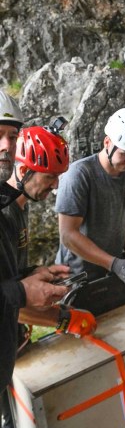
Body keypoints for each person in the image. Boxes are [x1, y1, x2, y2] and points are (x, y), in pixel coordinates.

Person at [1, 123, 96, 428]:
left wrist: (35, 274)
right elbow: (13, 295)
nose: (55, 186)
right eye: (50, 176)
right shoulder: (3, 216)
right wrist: (61, 318)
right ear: (25, 170)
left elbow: (9, 278)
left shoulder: (18, 209)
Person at [0, 92, 70, 399]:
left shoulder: (12, 207)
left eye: (12, 136)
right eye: (51, 178)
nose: (6, 146)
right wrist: (22, 292)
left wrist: (32, 274)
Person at [55, 107, 125, 290]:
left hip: (110, 271)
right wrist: (114, 264)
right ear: (107, 142)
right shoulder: (79, 175)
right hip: (77, 278)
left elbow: (124, 217)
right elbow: (68, 235)